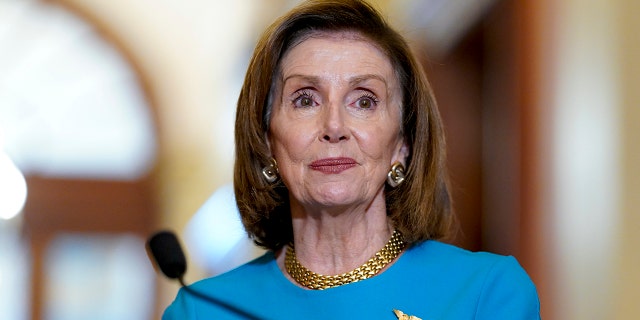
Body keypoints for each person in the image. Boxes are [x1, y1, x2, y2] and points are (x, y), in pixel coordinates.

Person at [163, 0, 540, 319]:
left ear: (403, 143)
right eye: (305, 99)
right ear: (267, 140)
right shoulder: (200, 310)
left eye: (364, 100)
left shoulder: (487, 293)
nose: (334, 126)